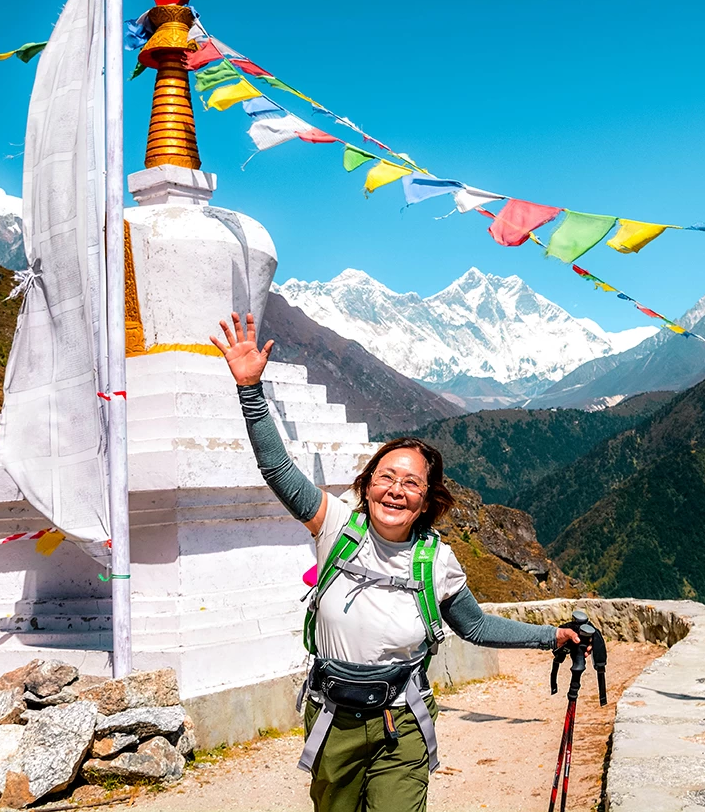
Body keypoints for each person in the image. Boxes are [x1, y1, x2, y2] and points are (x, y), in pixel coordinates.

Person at [211, 312, 580, 812]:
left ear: (427, 500)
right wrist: (250, 391)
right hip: (333, 716)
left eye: (411, 483)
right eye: (386, 477)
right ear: (367, 483)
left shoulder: (437, 561)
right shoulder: (336, 526)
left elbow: (474, 626)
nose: (396, 491)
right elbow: (279, 469)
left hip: (401, 719)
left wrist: (549, 636)